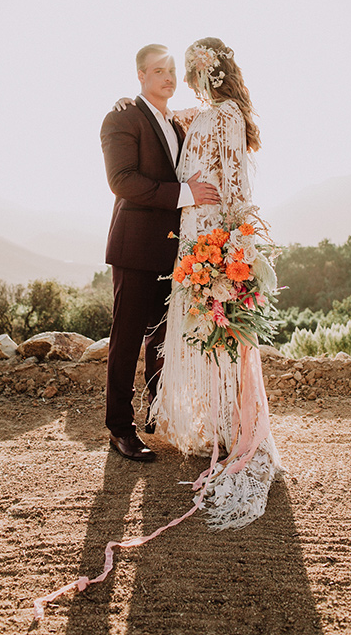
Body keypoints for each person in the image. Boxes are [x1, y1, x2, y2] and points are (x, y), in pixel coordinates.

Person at [148, 38, 282, 529]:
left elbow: (234, 184)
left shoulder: (226, 116)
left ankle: (233, 427)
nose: (187, 79)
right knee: (199, 333)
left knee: (220, 336)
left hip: (211, 237)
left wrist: (232, 248)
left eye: (190, 70)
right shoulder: (204, 113)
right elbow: (166, 115)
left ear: (210, 72)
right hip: (190, 234)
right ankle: (212, 425)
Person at [100, 43, 220, 463]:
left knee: (162, 337)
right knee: (127, 338)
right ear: (140, 76)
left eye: (171, 71)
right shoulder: (122, 117)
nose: (167, 78)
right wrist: (185, 194)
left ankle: (156, 413)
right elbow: (122, 181)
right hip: (134, 248)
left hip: (173, 251)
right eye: (157, 71)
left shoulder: (177, 122)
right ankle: (120, 429)